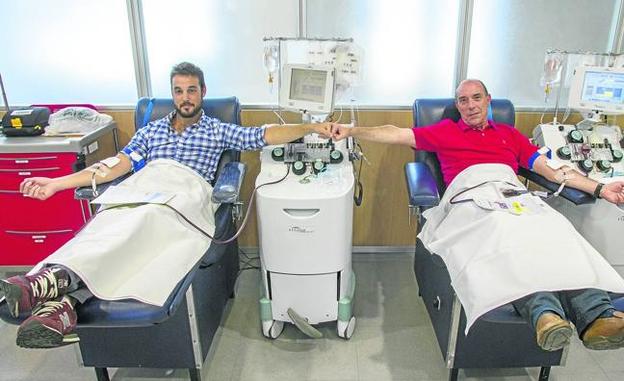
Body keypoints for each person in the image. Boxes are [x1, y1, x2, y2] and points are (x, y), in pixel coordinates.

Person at [0, 62, 332, 348]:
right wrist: (57, 183)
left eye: (191, 90)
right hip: (143, 189)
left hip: (184, 192)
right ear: (172, 94)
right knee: (106, 227)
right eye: (178, 91)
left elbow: (263, 135)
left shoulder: (217, 131)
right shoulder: (151, 132)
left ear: (202, 92)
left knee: (142, 226)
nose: (185, 97)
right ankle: (62, 301)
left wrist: (311, 127)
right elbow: (115, 165)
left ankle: (56, 284)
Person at [330, 79, 624, 351]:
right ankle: (544, 313)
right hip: (471, 197)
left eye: (476, 98)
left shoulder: (511, 136)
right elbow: (395, 134)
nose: (470, 105)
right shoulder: (444, 131)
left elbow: (553, 170)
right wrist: (353, 131)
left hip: (512, 196)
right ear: (457, 106)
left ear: (488, 101)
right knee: (504, 237)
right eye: (462, 100)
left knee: (556, 230)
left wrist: (600, 188)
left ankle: (596, 316)